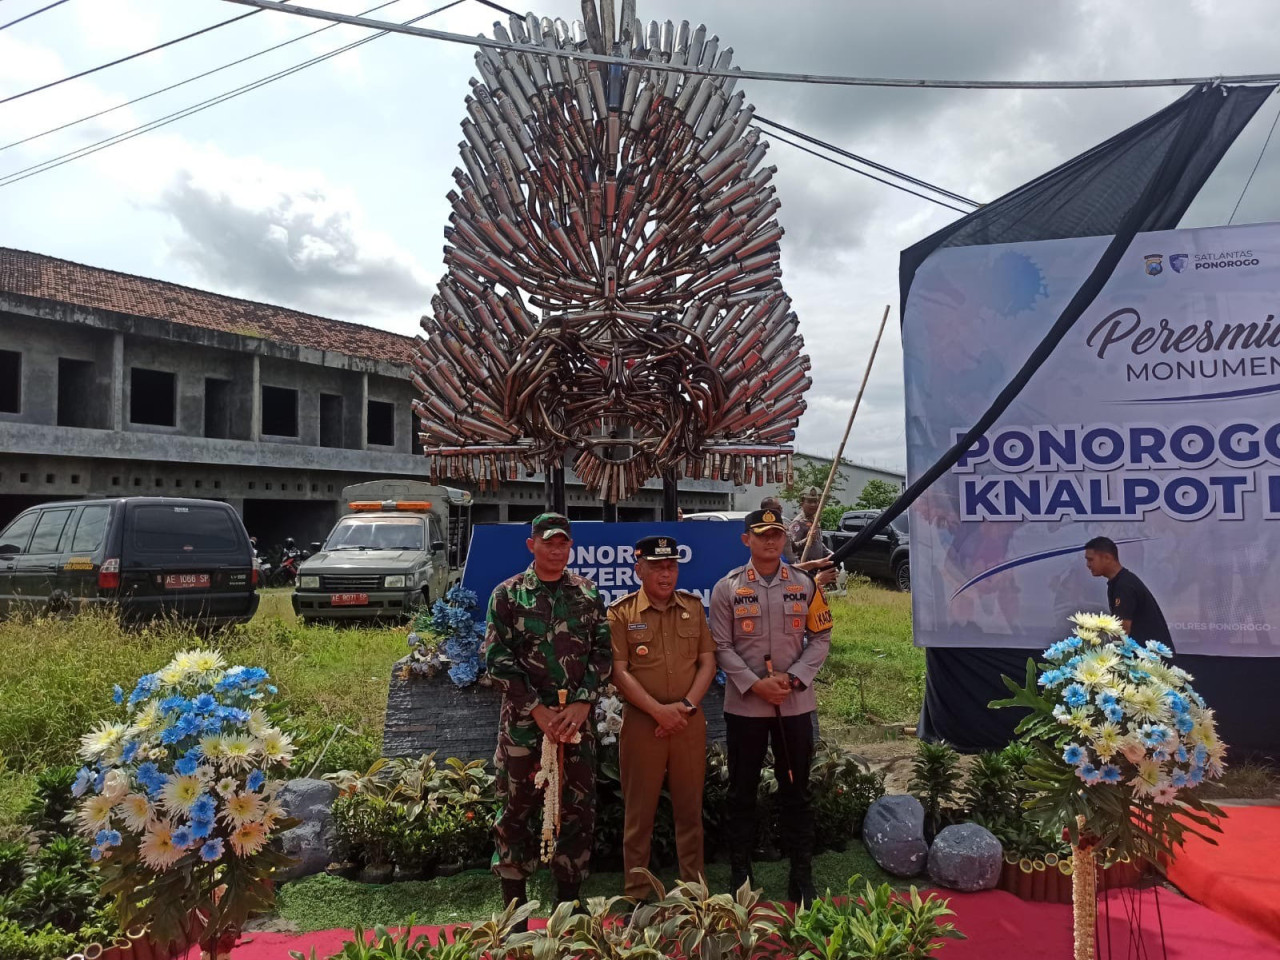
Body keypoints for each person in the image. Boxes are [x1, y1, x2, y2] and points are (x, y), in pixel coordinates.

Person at [484, 512, 613, 920]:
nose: (557, 550)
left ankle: (568, 901)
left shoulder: (588, 594)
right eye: (548, 542)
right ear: (531, 545)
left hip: (575, 723)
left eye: (563, 543)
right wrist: (536, 710)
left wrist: (582, 703)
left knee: (577, 807)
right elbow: (497, 658)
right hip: (525, 726)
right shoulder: (508, 595)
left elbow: (603, 653)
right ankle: (514, 904)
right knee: (516, 807)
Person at [711, 508, 833, 906]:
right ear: (746, 539)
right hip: (746, 707)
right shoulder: (727, 587)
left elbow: (820, 637)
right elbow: (721, 647)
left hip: (794, 704)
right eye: (761, 534)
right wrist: (755, 684)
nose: (770, 541)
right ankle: (740, 873)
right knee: (742, 792)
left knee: (796, 790)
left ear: (785, 539)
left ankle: (801, 874)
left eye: (776, 534)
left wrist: (795, 679)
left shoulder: (805, 585)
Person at [607, 535, 717, 899]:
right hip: (643, 724)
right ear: (639, 569)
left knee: (690, 811)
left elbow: (707, 661)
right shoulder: (621, 613)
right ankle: (637, 892)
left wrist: (684, 707)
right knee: (639, 815)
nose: (666, 574)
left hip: (687, 722)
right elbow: (619, 671)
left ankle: (694, 891)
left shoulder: (693, 607)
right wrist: (658, 711)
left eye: (671, 566)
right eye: (657, 567)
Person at [1084, 536, 1175, 653]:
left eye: (1091, 560)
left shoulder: (1124, 586)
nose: (1087, 565)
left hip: (1153, 661)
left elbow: (1122, 630)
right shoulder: (1119, 582)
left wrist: (1108, 658)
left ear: (1107, 557)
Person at [763, 494, 838, 589]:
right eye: (777, 508)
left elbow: (794, 546)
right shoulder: (765, 532)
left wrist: (808, 539)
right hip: (785, 570)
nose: (781, 509)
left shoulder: (784, 525)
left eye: (815, 502)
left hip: (796, 566)